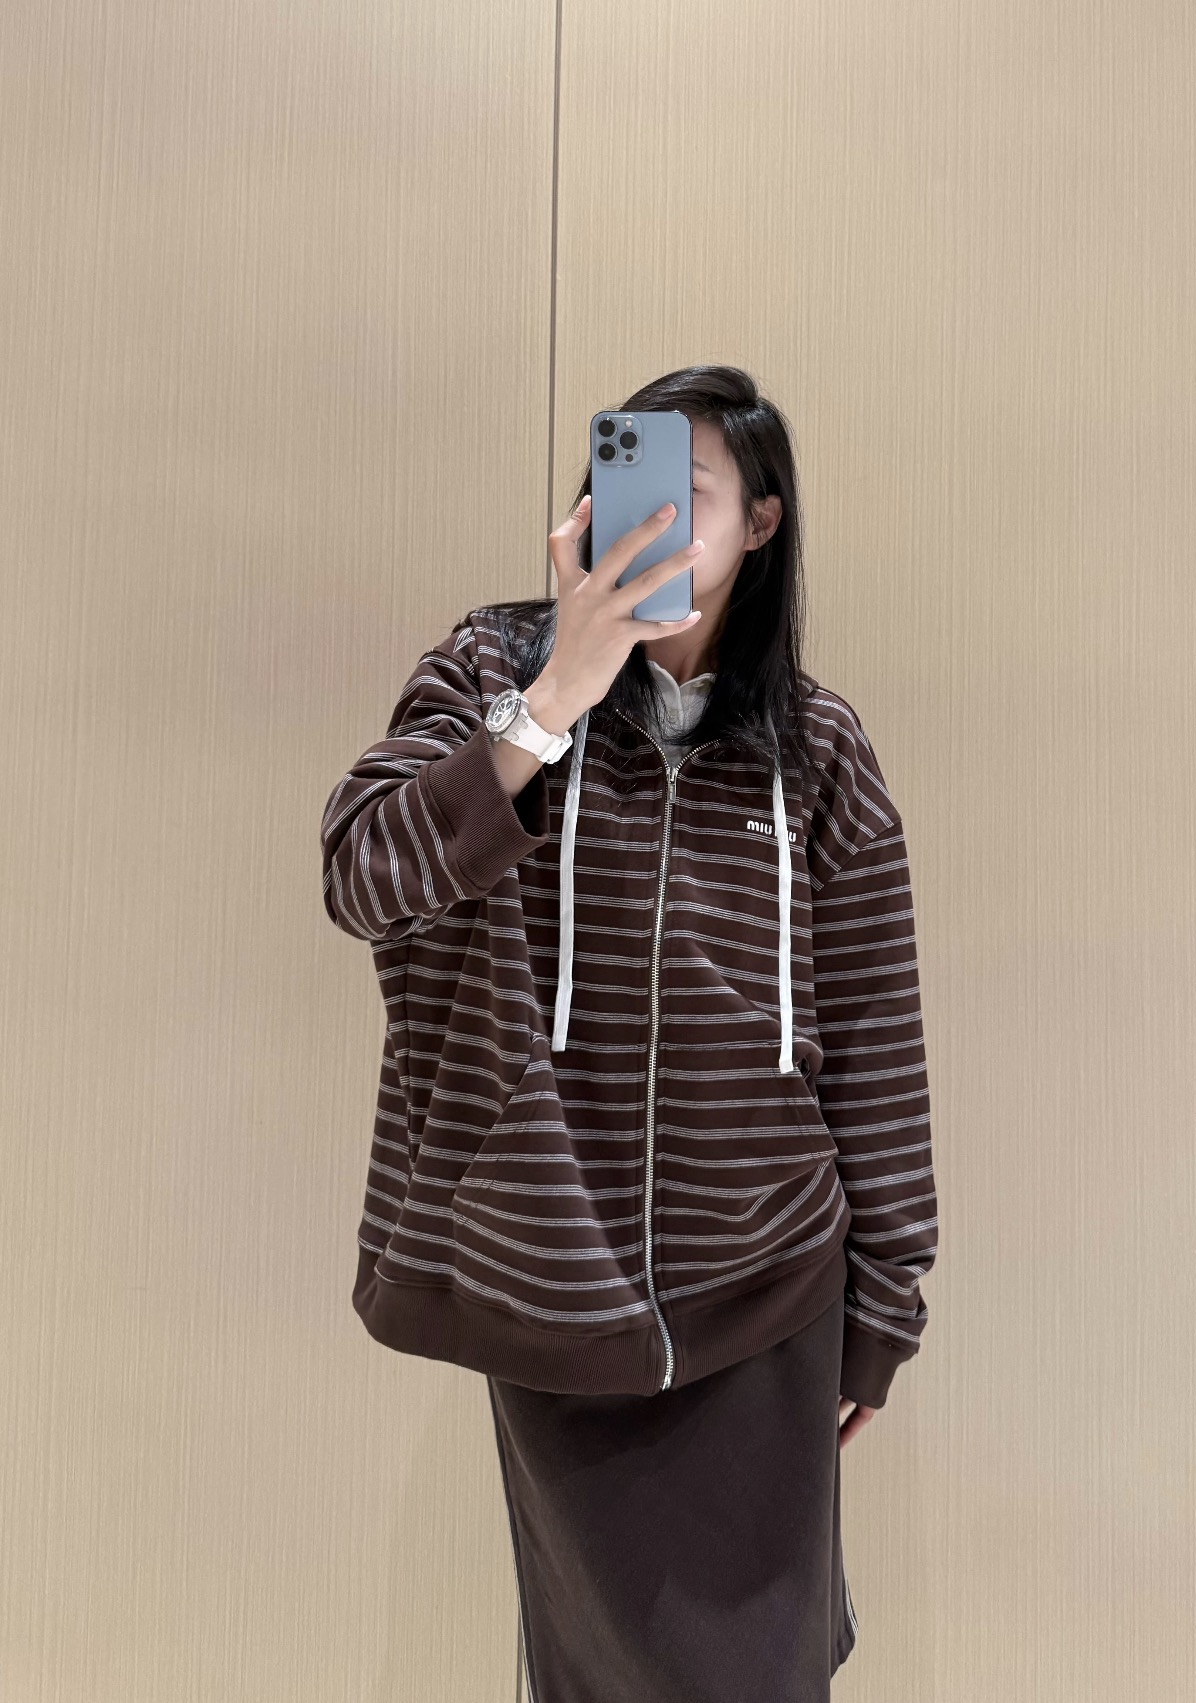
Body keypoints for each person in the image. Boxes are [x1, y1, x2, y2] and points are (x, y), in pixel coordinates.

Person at [319, 364, 937, 1702]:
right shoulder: (494, 671)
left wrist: (884, 1308)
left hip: (772, 1288)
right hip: (555, 1283)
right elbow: (362, 875)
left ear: (759, 523)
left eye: (687, 493)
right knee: (599, 1674)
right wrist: (550, 705)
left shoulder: (821, 749)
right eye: (627, 483)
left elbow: (878, 1039)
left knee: (764, 1675)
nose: (645, 518)